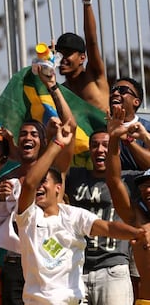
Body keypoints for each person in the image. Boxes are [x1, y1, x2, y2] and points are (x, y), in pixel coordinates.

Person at [16, 119, 150, 305]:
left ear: (58, 187)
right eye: (94, 145)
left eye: (44, 181)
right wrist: (56, 143)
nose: (38, 186)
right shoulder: (28, 217)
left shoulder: (74, 215)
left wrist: (136, 233)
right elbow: (30, 182)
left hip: (93, 286)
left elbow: (108, 228)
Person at [0, 65, 76, 305]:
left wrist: (52, 86)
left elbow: (70, 125)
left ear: (44, 142)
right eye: (23, 134)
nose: (27, 138)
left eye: (33, 134)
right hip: (14, 263)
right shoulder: (7, 171)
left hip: (50, 264)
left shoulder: (55, 169)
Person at [66, 128, 142, 304]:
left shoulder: (129, 180)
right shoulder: (75, 176)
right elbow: (56, 167)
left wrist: (133, 140)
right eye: (94, 145)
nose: (100, 150)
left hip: (113, 269)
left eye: (106, 145)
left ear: (116, 150)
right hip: (77, 269)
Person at [106, 104, 150, 304]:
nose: (147, 190)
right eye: (143, 185)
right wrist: (114, 139)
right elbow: (114, 181)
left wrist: (146, 138)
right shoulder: (139, 223)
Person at [55, 0, 109, 112]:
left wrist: (86, 2)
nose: (62, 59)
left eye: (67, 54)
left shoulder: (93, 76)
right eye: (59, 54)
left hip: (104, 130)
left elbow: (92, 41)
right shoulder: (60, 91)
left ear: (82, 58)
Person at [109, 77, 150, 171]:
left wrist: (127, 139)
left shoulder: (146, 128)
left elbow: (148, 166)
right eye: (113, 90)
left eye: (122, 90)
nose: (115, 93)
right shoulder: (101, 128)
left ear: (136, 102)